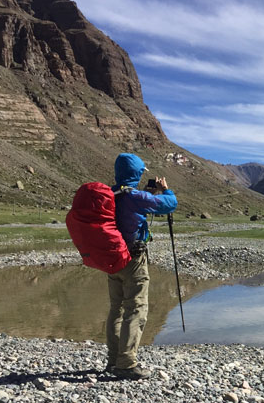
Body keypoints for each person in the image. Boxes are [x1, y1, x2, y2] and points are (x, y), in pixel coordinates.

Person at [106, 153, 177, 380]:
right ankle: (126, 364)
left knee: (116, 308)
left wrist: (148, 194)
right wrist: (166, 190)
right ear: (136, 173)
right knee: (135, 308)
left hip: (112, 259)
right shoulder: (134, 196)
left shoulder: (111, 194)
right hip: (133, 259)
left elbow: (133, 206)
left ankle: (114, 359)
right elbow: (169, 205)